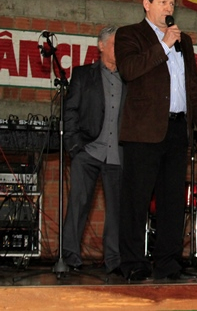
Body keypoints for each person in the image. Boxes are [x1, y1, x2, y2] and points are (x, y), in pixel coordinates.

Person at [114, 0, 197, 281]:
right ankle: (132, 263)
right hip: (143, 131)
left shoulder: (184, 41)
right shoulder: (130, 34)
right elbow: (129, 70)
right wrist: (163, 45)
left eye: (172, 4)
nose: (169, 8)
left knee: (172, 201)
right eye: (163, 2)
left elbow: (192, 86)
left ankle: (168, 263)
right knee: (136, 200)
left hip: (177, 129)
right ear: (147, 4)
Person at [62, 26, 124, 275]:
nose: (120, 49)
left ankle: (114, 260)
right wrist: (75, 146)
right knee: (78, 204)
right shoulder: (83, 75)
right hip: (88, 150)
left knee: (117, 211)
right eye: (115, 44)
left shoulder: (129, 78)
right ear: (101, 45)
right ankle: (70, 257)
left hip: (117, 153)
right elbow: (70, 111)